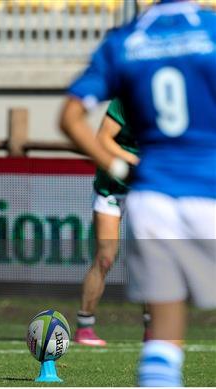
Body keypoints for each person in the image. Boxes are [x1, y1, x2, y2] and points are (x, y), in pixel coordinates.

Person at [59, 0, 216, 386]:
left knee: (163, 330)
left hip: (152, 196)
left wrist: (120, 166)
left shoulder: (126, 39)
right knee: (109, 259)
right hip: (206, 186)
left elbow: (69, 118)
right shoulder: (211, 30)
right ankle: (86, 324)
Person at [74, 98, 151, 346]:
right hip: (112, 187)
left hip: (146, 189)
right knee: (106, 256)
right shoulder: (124, 100)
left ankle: (153, 329)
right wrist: (133, 161)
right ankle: (85, 326)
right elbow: (103, 139)